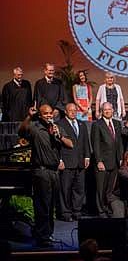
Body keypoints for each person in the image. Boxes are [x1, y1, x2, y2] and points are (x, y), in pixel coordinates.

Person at [18, 104, 73, 247]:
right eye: (46, 114)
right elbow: (21, 131)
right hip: (41, 171)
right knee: (42, 205)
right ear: (41, 115)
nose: (49, 116)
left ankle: (48, 234)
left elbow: (70, 144)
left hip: (54, 172)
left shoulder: (57, 128)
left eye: (50, 113)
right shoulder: (35, 128)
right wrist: (29, 116)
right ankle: (42, 236)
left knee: (51, 206)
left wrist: (59, 136)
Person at [57, 103, 90, 222]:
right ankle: (66, 212)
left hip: (80, 162)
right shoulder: (60, 124)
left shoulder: (82, 124)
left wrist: (87, 157)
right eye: (70, 110)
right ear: (65, 112)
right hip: (67, 162)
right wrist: (59, 159)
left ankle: (77, 211)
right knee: (65, 189)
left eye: (75, 110)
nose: (73, 112)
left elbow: (86, 141)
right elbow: (56, 145)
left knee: (79, 188)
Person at [91, 102, 124, 218]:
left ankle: (108, 208)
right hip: (102, 162)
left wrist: (120, 158)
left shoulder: (117, 124)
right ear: (102, 111)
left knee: (110, 188)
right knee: (101, 188)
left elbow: (119, 143)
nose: (107, 111)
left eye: (109, 109)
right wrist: (99, 161)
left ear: (112, 110)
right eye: (105, 110)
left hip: (114, 162)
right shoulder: (97, 124)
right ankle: (101, 211)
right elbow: (95, 145)